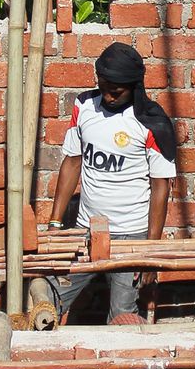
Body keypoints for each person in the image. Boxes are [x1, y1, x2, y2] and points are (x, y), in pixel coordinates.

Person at [45, 42, 177, 325]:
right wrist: (55, 224)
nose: (107, 96)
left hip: (131, 237)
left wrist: (149, 254)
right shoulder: (84, 107)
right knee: (48, 298)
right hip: (86, 232)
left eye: (115, 92)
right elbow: (71, 162)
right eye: (102, 86)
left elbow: (160, 188)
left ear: (134, 87)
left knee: (122, 318)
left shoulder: (152, 124)